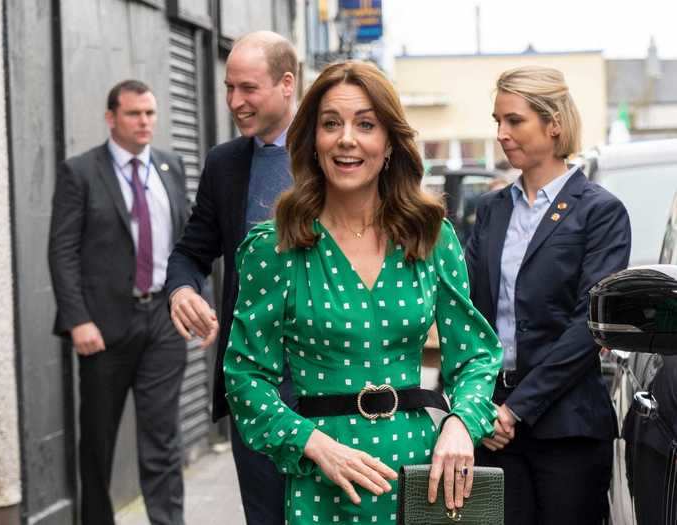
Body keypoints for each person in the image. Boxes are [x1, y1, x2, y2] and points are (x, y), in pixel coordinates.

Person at [223, 60, 503, 524]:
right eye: (331, 124)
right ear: (313, 140)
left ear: (389, 142)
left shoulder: (430, 236)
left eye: (366, 124)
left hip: (422, 477)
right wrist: (311, 444)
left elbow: (475, 356)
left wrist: (460, 424)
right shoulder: (275, 246)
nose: (346, 139)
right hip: (323, 483)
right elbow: (245, 375)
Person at [466, 65, 632, 525]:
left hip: (566, 430)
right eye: (497, 120)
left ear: (553, 123)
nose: (501, 133)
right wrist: (478, 407)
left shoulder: (599, 212)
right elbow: (468, 312)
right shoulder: (492, 210)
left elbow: (589, 325)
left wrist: (517, 409)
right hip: (493, 427)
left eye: (514, 120)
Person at [165, 31, 297, 525]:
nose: (235, 102)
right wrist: (181, 290)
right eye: (228, 88)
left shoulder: (335, 153)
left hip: (332, 385)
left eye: (248, 88)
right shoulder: (225, 163)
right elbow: (191, 251)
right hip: (255, 387)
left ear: (287, 84)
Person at [48, 79, 188, 525]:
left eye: (150, 113)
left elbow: (187, 244)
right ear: (112, 118)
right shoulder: (81, 172)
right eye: (134, 114)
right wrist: (77, 319)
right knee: (97, 439)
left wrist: (196, 304)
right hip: (103, 327)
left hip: (164, 322)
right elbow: (62, 250)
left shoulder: (170, 165)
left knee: (162, 437)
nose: (144, 122)